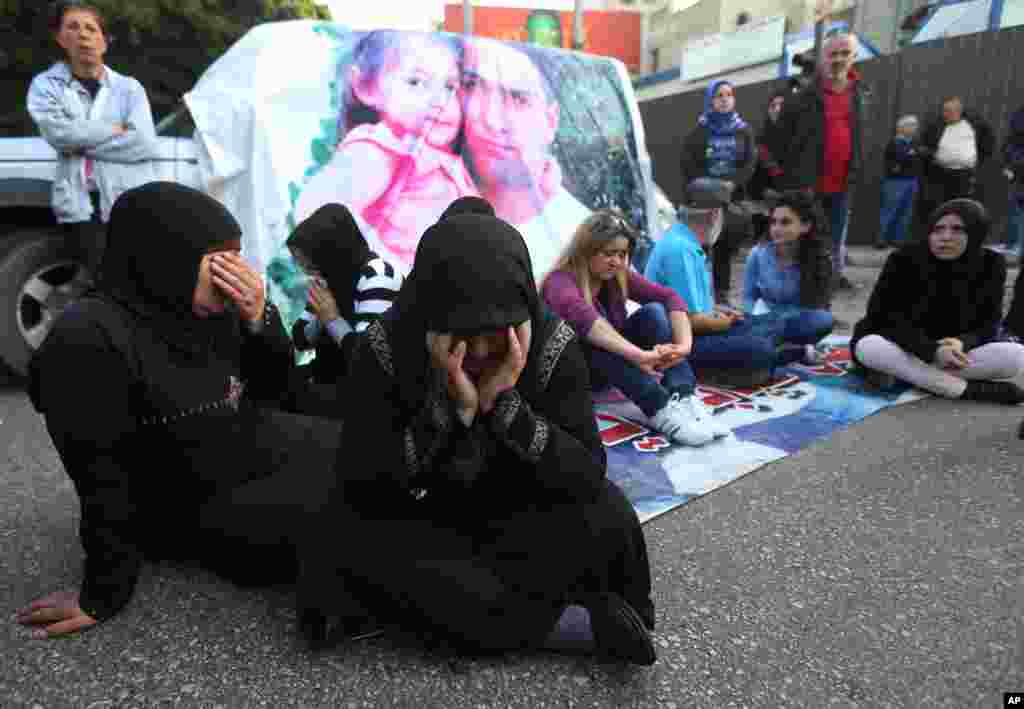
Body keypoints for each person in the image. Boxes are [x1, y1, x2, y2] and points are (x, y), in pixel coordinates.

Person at [296, 210, 656, 665]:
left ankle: (565, 609)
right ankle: (571, 623)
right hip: (427, 516)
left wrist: (506, 408)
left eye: (498, 335)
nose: (482, 353)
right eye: (462, 336)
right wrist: (452, 412)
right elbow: (363, 478)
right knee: (352, 539)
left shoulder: (552, 344)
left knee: (609, 510)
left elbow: (587, 471)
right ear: (428, 318)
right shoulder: (386, 347)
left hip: (522, 506)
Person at [17, 182, 341, 638]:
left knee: (370, 449)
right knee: (356, 511)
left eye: (237, 258)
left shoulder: (203, 310)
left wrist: (259, 319)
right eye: (219, 261)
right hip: (190, 503)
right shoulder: (89, 337)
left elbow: (280, 391)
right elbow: (100, 474)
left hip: (238, 450)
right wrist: (104, 591)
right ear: (167, 258)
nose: (235, 276)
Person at [542, 210, 729, 446]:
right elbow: (585, 320)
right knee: (596, 340)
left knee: (654, 313)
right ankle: (659, 408)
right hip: (573, 374)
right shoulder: (559, 282)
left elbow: (669, 297)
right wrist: (638, 355)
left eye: (622, 254)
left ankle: (685, 396)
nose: (617, 261)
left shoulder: (616, 276)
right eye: (608, 253)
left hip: (610, 366)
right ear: (586, 250)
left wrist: (683, 347)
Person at [293, 31, 478, 268]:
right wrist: (382, 266)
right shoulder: (378, 150)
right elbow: (313, 212)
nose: (440, 100)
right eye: (416, 82)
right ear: (366, 87)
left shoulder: (447, 163)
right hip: (397, 286)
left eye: (450, 86)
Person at [26, 1, 158, 281]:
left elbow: (144, 143)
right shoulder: (45, 86)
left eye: (91, 28)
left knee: (133, 281)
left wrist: (80, 142)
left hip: (126, 201)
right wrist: (115, 129)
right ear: (61, 38)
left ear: (104, 41)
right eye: (73, 27)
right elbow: (60, 135)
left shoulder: (129, 88)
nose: (83, 35)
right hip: (79, 203)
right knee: (95, 280)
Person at [851, 199, 1024, 403]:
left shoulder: (991, 263)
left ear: (976, 233)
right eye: (938, 229)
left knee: (1015, 355)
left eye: (958, 230)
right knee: (869, 346)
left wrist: (960, 342)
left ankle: (910, 377)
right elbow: (881, 319)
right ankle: (963, 390)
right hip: (903, 346)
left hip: (952, 354)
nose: (945, 237)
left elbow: (989, 323)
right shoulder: (903, 258)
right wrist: (932, 351)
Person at [461, 38, 591, 279]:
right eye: (472, 87)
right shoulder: (417, 208)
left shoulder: (582, 237)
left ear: (551, 121)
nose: (492, 120)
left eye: (518, 98)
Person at [284, 203, 404, 417]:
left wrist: (332, 320)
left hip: (367, 394)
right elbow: (300, 338)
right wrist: (321, 317)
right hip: (328, 379)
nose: (308, 273)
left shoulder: (379, 275)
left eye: (310, 265)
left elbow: (367, 358)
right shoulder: (330, 277)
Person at [775, 31, 868, 292]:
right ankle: (801, 287)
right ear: (823, 58)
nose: (838, 59)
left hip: (843, 183)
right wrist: (793, 179)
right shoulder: (803, 96)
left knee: (835, 238)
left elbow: (860, 136)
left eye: (844, 53)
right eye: (832, 54)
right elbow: (782, 139)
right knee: (805, 238)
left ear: (854, 57)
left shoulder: (860, 94)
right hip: (808, 184)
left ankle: (827, 285)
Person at [644, 205, 778, 388]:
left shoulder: (683, 242)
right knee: (762, 345)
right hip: (680, 342)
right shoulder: (681, 248)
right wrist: (724, 323)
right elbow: (687, 320)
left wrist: (719, 311)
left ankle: (780, 352)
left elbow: (697, 306)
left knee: (769, 325)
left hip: (695, 332)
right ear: (715, 215)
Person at [679, 80, 758, 306]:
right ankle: (697, 297)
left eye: (729, 95)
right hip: (704, 199)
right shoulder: (699, 131)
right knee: (700, 250)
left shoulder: (743, 131)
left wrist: (733, 184)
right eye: (719, 95)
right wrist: (709, 186)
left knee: (724, 248)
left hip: (731, 198)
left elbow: (750, 163)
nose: (725, 99)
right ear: (710, 100)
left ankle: (722, 295)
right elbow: (688, 164)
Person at [741, 190, 834, 364]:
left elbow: (817, 306)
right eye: (773, 222)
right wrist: (755, 317)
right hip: (763, 319)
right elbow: (748, 297)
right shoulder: (758, 254)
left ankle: (767, 347)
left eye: (785, 222)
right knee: (743, 326)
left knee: (823, 319)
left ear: (806, 226)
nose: (776, 229)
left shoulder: (820, 259)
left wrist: (780, 322)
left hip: (796, 323)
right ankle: (787, 351)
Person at [917, 96, 995, 235]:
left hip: (965, 175)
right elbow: (924, 145)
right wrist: (930, 156)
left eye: (951, 110)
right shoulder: (935, 125)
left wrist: (978, 160)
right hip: (940, 174)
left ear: (960, 110)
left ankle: (961, 237)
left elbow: (988, 143)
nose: (947, 114)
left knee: (962, 209)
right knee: (939, 208)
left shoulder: (975, 124)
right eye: (945, 110)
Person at [877, 115, 923, 249]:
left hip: (912, 180)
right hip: (896, 182)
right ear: (901, 128)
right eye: (911, 125)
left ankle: (899, 240)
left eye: (915, 125)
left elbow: (916, 157)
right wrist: (910, 155)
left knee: (906, 212)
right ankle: (882, 239)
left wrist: (911, 154)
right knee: (889, 210)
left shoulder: (915, 143)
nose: (915, 128)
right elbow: (899, 159)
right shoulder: (894, 143)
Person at [748, 91, 788, 202]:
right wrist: (765, 192)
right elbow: (753, 185)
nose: (777, 109)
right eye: (773, 106)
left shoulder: (804, 136)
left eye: (782, 105)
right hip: (774, 204)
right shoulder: (761, 142)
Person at [998, 104, 1024, 257]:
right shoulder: (1013, 139)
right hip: (1016, 176)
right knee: (1015, 209)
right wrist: (1007, 168)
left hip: (1017, 173)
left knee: (1017, 209)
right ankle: (1013, 243)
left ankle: (1016, 244)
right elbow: (1006, 149)